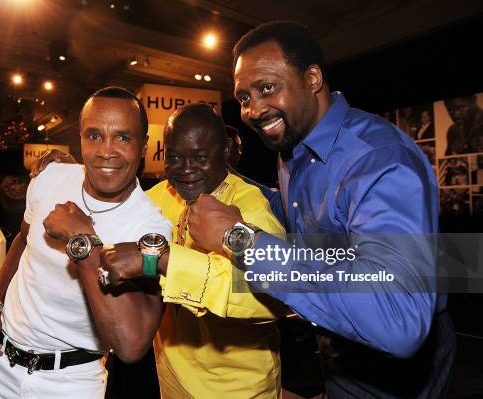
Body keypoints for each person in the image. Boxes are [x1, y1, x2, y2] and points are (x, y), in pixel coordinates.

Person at [187, 21, 455, 398]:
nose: (253, 109)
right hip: (339, 355)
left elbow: (399, 320)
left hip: (396, 375)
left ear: (312, 77)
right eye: (244, 97)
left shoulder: (379, 162)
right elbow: (301, 215)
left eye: (267, 88)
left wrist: (239, 239)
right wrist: (223, 174)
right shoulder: (293, 151)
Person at [36, 103, 287, 398]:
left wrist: (161, 259)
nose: (186, 169)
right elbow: (111, 211)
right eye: (175, 158)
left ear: (226, 152)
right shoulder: (160, 198)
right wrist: (69, 175)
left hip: (238, 388)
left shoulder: (248, 205)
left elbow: (274, 294)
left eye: (200, 157)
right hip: (170, 381)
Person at [0, 87, 172, 398]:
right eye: (94, 136)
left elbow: (131, 345)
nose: (106, 150)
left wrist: (83, 239)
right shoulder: (50, 177)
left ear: (143, 145)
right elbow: (22, 241)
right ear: (80, 138)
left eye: (123, 137)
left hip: (71, 382)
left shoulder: (150, 230)